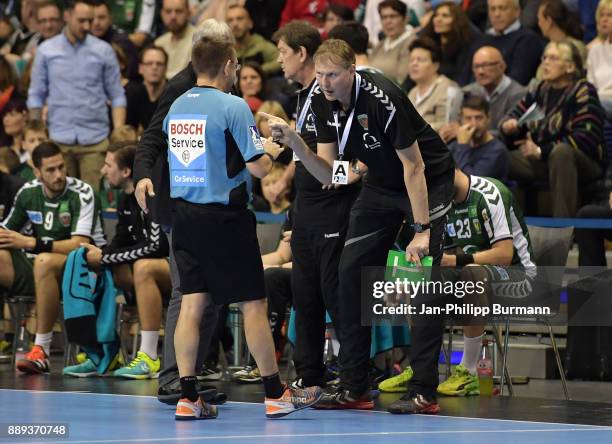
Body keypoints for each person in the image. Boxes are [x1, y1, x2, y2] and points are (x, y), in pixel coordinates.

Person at [263, 38, 455, 414]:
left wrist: (421, 229)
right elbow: (332, 173)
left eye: (333, 74)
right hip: (381, 185)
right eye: (319, 75)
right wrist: (298, 144)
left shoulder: (382, 97)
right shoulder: (320, 100)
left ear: (352, 71)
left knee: (421, 281)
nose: (326, 82)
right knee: (349, 273)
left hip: (425, 181)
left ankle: (423, 391)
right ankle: (355, 386)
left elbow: (414, 167)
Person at [161, 34, 321, 420]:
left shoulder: (176, 107)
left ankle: (187, 396)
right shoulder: (233, 106)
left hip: (183, 218)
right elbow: (258, 167)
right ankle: (274, 392)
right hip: (225, 218)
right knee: (253, 303)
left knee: (193, 303)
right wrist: (274, 146)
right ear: (230, 64)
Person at [133, 19, 230, 407]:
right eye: (221, 47)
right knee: (187, 291)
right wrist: (141, 176)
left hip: (212, 203)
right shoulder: (180, 88)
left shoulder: (224, 82)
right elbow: (152, 138)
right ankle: (173, 378)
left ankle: (190, 374)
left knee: (211, 294)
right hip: (180, 204)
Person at [378, 168, 535, 395]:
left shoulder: (489, 193)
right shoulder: (444, 203)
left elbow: (504, 255)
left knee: (472, 272)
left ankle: (469, 371)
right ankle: (420, 366)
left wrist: (453, 260)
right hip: (475, 276)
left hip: (520, 277)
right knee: (422, 275)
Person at [272, 21, 363, 392]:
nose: (278, 61)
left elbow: (359, 156)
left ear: (301, 53)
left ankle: (357, 378)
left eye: (282, 52)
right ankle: (310, 378)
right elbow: (305, 154)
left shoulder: (333, 94)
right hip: (307, 208)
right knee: (304, 296)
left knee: (336, 295)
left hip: (333, 207)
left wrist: (345, 175)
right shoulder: (304, 95)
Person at [62, 143, 171, 378]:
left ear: (126, 172)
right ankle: (101, 352)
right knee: (91, 263)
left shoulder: (153, 194)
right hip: (150, 271)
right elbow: (120, 241)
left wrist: (106, 256)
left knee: (142, 267)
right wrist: (98, 255)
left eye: (108, 165)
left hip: (181, 269)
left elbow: (157, 245)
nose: (103, 170)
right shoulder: (124, 199)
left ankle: (149, 356)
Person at [1, 142, 106, 374]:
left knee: (44, 260)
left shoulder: (82, 192)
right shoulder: (28, 193)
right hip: (41, 269)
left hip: (86, 268)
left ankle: (41, 349)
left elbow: (80, 245)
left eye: (61, 167)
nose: (59, 175)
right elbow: (5, 232)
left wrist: (31, 243)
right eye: (50, 170)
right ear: (37, 172)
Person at [27, 0, 127, 192]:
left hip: (95, 141)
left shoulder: (104, 50)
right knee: (59, 202)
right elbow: (36, 95)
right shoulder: (46, 50)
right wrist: (35, 133)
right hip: (58, 141)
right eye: (82, 21)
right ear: (67, 16)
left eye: (90, 20)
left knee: (93, 199)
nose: (87, 26)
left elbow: (117, 95)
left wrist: (119, 132)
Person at [500, 40, 606, 217]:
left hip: (582, 162)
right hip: (539, 159)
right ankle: (505, 229)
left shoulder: (583, 90)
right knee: (498, 155)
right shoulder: (540, 90)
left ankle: (562, 231)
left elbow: (586, 138)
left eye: (554, 58)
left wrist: (541, 150)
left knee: (561, 152)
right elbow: (515, 116)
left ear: (570, 67)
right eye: (545, 57)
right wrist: (509, 127)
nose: (546, 62)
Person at [456, 46, 525, 140]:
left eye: (486, 65)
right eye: (476, 66)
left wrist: (467, 131)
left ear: (502, 66)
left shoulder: (517, 94)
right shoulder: (468, 92)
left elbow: (509, 134)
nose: (480, 71)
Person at [418, 1, 482, 86]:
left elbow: (462, 78)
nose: (438, 19)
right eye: (436, 15)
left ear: (456, 20)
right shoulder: (429, 42)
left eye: (445, 16)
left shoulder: (465, 45)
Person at [482, 0, 545, 86]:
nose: (497, 14)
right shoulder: (483, 38)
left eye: (502, 8)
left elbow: (518, 80)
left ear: (517, 11)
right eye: (492, 9)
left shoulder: (527, 40)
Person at [407, 37, 462, 132]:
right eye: (411, 60)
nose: (414, 64)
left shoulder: (448, 89)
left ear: (435, 66)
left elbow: (446, 125)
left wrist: (413, 131)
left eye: (420, 60)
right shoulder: (412, 92)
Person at [448, 95, 509, 180]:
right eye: (468, 118)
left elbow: (473, 183)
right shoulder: (454, 145)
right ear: (461, 120)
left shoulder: (497, 150)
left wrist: (462, 146)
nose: (474, 124)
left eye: (479, 118)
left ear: (488, 118)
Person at [369, 0, 416, 85]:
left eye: (393, 16)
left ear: (405, 19)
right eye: (384, 17)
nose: (388, 21)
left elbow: (401, 79)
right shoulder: (380, 44)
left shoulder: (412, 42)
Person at [226, 5, 281, 76]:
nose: (235, 24)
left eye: (239, 19)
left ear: (250, 23)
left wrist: (257, 71)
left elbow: (280, 60)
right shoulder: (225, 51)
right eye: (230, 20)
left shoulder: (262, 46)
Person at [91, 1, 139, 81]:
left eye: (101, 17)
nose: (96, 23)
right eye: (92, 18)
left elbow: (131, 78)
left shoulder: (123, 43)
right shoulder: (82, 41)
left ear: (111, 19)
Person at [125, 46, 169, 131]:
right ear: (141, 68)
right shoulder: (131, 93)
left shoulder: (174, 93)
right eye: (149, 63)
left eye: (159, 64)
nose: (154, 67)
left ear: (165, 68)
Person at [155, 0, 195, 79]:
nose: (173, 16)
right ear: (162, 14)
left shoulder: (199, 40)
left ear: (188, 13)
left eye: (179, 11)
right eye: (168, 11)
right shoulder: (159, 43)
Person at [586, 0, 612, 117]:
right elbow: (590, 86)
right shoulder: (595, 50)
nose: (604, 19)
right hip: (598, 103)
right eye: (602, 15)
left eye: (610, 15)